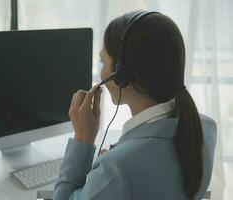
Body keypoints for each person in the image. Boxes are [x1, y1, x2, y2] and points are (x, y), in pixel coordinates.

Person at [53, 10, 217, 200]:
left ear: (120, 75)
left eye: (102, 61)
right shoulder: (205, 128)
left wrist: (82, 140)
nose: (101, 72)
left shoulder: (117, 168)